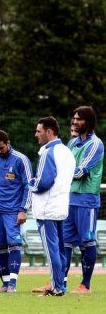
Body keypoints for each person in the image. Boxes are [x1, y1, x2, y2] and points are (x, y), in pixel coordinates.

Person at [28, 117, 75, 296]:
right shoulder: (66, 151)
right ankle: (61, 284)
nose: (36, 134)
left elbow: (43, 182)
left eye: (39, 131)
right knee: (60, 249)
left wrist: (29, 183)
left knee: (51, 249)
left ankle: (56, 287)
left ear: (49, 132)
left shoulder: (48, 152)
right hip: (61, 206)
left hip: (47, 208)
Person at [0, 130, 32, 293]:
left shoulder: (20, 159)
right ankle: (5, 282)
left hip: (13, 211)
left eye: (1, 148)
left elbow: (28, 186)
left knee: (14, 243)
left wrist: (23, 210)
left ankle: (13, 282)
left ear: (8, 143)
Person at [63, 106, 104, 294]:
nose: (74, 122)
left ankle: (85, 284)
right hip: (70, 198)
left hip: (87, 199)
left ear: (88, 121)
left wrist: (59, 176)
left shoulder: (96, 144)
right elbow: (63, 165)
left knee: (87, 241)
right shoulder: (72, 143)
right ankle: (59, 282)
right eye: (73, 118)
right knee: (65, 241)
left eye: (78, 119)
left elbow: (80, 171)